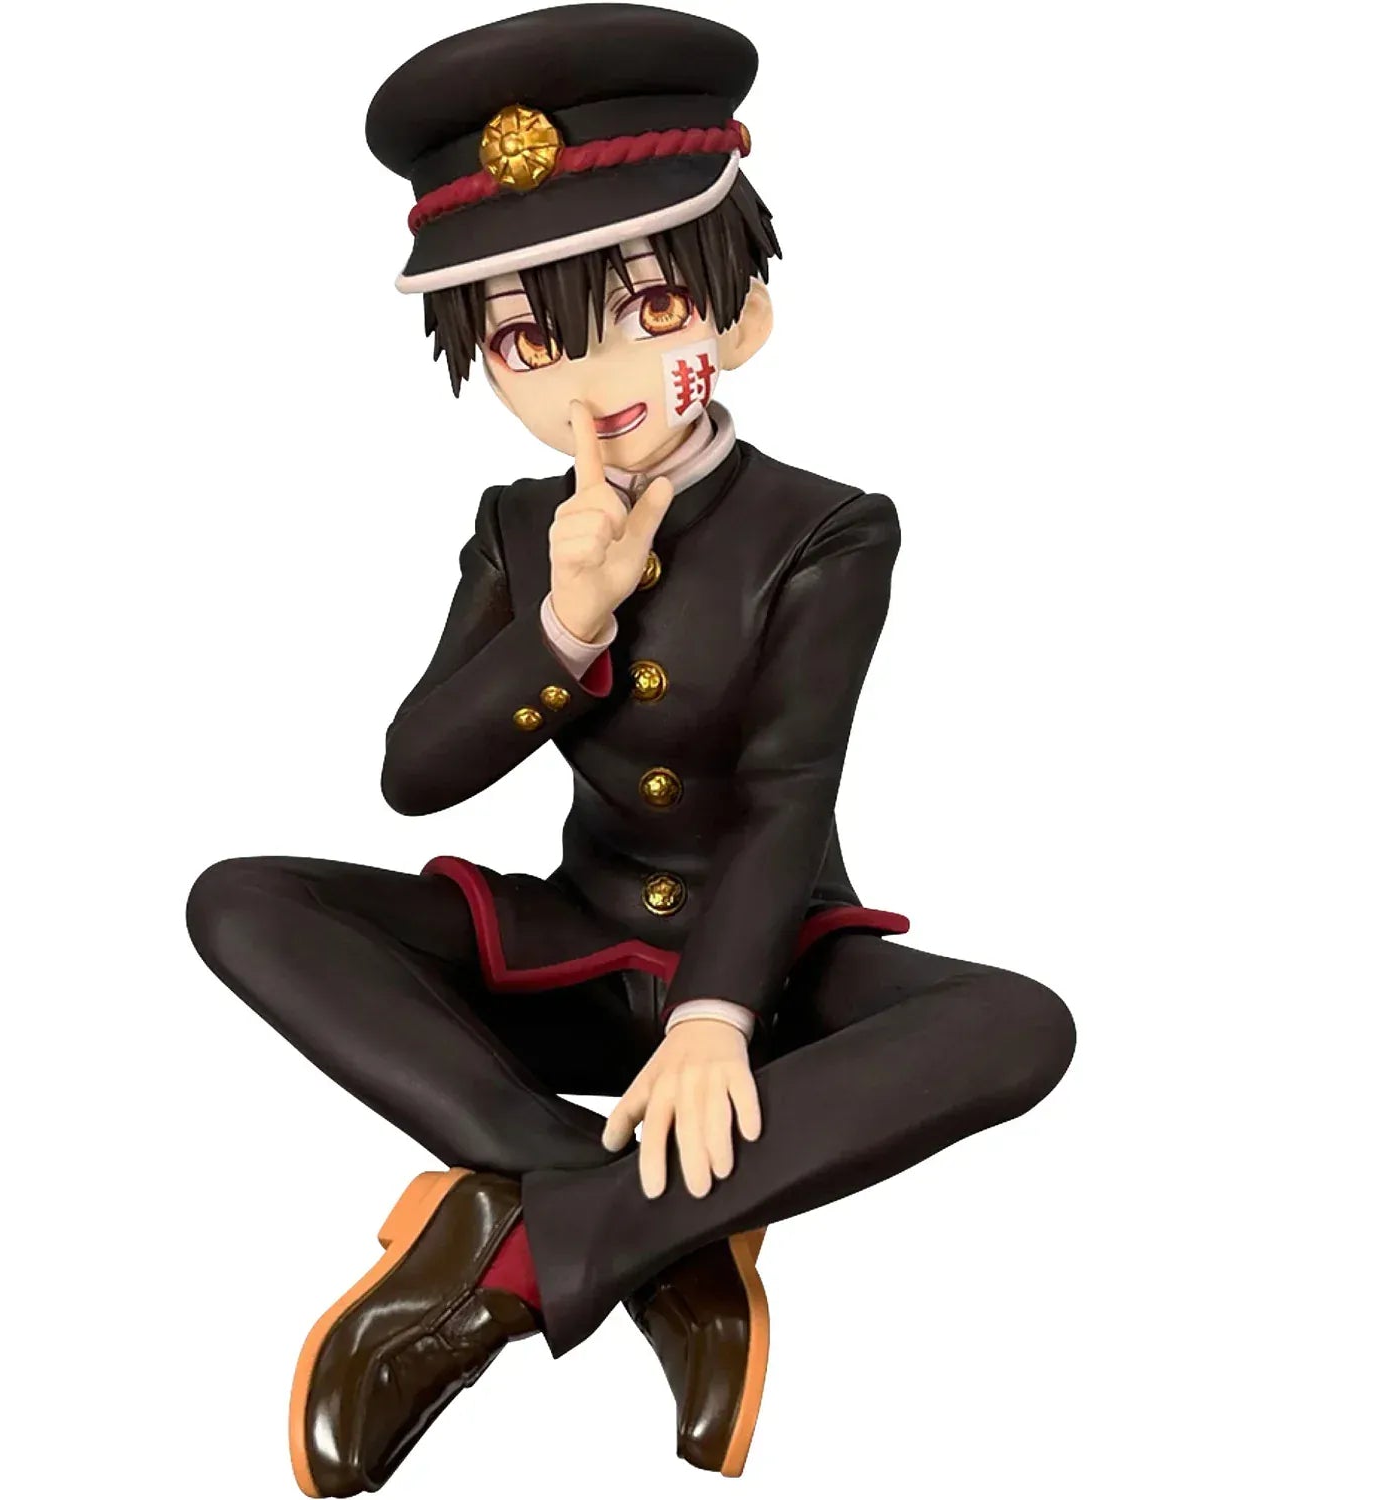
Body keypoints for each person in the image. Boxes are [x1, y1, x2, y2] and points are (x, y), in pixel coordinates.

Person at [186, 6, 1076, 1493]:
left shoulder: (827, 529)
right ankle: (646, 1219)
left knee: (1019, 1025)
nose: (590, 378)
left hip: (767, 970)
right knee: (242, 900)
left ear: (741, 318)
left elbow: (789, 792)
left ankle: (526, 1255)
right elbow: (415, 774)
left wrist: (717, 1017)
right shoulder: (517, 529)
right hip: (583, 948)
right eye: (530, 338)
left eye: (649, 308)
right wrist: (561, 630)